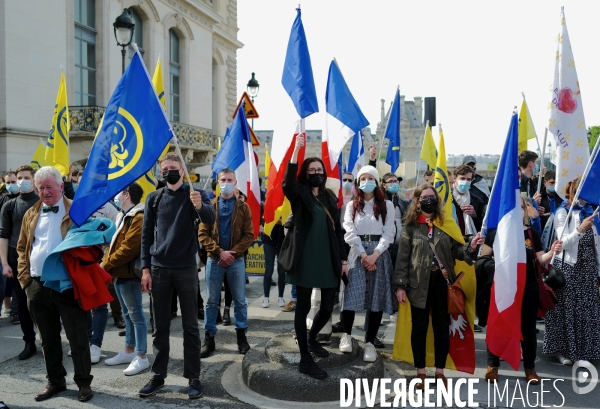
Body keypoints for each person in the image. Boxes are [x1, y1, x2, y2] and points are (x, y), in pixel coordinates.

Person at [139, 152, 215, 399]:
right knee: (159, 327)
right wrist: (145, 268)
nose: (167, 171)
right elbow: (146, 236)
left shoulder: (196, 195)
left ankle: (193, 377)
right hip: (159, 269)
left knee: (190, 326)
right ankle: (158, 375)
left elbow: (210, 220)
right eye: (164, 168)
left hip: (185, 269)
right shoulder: (154, 198)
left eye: (172, 167)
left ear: (182, 170)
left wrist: (200, 205)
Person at [16, 166, 93, 402]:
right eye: (41, 188)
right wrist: (26, 280)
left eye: (50, 186)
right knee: (47, 338)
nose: (45, 192)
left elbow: (93, 244)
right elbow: (22, 247)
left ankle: (83, 383)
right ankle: (55, 381)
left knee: (77, 337)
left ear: (61, 186)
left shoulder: (77, 210)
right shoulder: (31, 213)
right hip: (37, 285)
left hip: (67, 284)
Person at [394, 183, 483, 388]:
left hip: (443, 284)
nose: (428, 200)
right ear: (417, 201)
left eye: (431, 196)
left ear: (437, 200)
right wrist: (400, 285)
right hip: (418, 285)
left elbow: (458, 252)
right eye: (424, 197)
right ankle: (421, 373)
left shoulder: (446, 224)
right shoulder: (410, 226)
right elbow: (403, 259)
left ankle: (440, 372)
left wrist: (471, 246)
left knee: (441, 328)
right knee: (419, 328)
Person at [282, 135, 347, 379]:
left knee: (328, 306)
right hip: (305, 258)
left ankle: (311, 339)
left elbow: (338, 230)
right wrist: (296, 151)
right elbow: (287, 183)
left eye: (319, 169)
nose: (316, 172)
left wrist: (342, 260)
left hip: (328, 258)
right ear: (306, 173)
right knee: (305, 307)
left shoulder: (330, 196)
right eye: (312, 170)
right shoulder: (299, 193)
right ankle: (305, 359)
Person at [480, 196, 562, 384]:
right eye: (511, 205)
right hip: (503, 287)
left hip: (528, 288)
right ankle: (492, 366)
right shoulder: (496, 233)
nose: (516, 209)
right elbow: (483, 260)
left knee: (528, 329)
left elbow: (541, 260)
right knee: (499, 325)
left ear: (525, 209)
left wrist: (552, 252)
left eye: (520, 206)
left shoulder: (531, 234)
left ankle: (530, 369)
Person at [543, 177, 600, 367]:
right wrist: (580, 229)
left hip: (588, 268)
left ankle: (584, 350)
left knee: (586, 311)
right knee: (566, 311)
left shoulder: (594, 211)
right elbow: (562, 243)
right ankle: (563, 351)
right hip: (568, 268)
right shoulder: (563, 212)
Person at [341, 165, 395, 362]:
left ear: (376, 181)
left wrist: (375, 254)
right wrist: (364, 255)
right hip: (357, 251)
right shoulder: (352, 205)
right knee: (351, 294)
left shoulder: (386, 205)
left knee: (375, 299)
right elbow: (349, 230)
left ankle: (370, 342)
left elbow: (389, 232)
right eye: (362, 178)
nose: (366, 182)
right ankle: (346, 335)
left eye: (369, 178)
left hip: (379, 254)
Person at [198, 168, 254, 358]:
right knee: (212, 301)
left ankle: (241, 337)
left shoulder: (243, 207)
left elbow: (249, 235)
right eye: (223, 179)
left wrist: (232, 253)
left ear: (235, 182)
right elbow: (202, 234)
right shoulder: (209, 206)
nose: (226, 182)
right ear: (218, 182)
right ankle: (209, 338)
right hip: (215, 259)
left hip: (236, 260)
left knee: (240, 301)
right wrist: (220, 252)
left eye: (230, 179)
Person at [102, 182, 149, 376]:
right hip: (119, 273)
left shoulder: (138, 216)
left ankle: (141, 356)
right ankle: (129, 351)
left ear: (126, 194)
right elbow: (113, 245)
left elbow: (129, 248)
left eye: (119, 192)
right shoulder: (124, 215)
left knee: (136, 315)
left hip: (128, 274)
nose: (116, 196)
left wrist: (105, 265)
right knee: (127, 314)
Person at [0, 165, 39, 359]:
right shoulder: (9, 205)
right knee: (22, 304)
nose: (22, 181)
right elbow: (4, 236)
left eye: (26, 177)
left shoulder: (42, 203)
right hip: (17, 263)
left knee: (43, 304)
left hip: (40, 262)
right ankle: (29, 342)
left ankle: (50, 341)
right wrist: (5, 262)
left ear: (33, 180)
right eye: (19, 178)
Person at [452, 164, 485, 238]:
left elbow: (482, 227)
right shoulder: (448, 199)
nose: (465, 182)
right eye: (462, 178)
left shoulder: (477, 201)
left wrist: (474, 216)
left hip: (471, 242)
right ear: (454, 178)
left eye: (468, 179)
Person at [262, 218, 286, 308]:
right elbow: (264, 221)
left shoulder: (286, 205)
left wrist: (281, 221)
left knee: (282, 271)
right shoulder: (267, 205)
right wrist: (277, 220)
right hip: (269, 241)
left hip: (283, 241)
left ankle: (281, 297)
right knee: (269, 270)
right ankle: (266, 298)